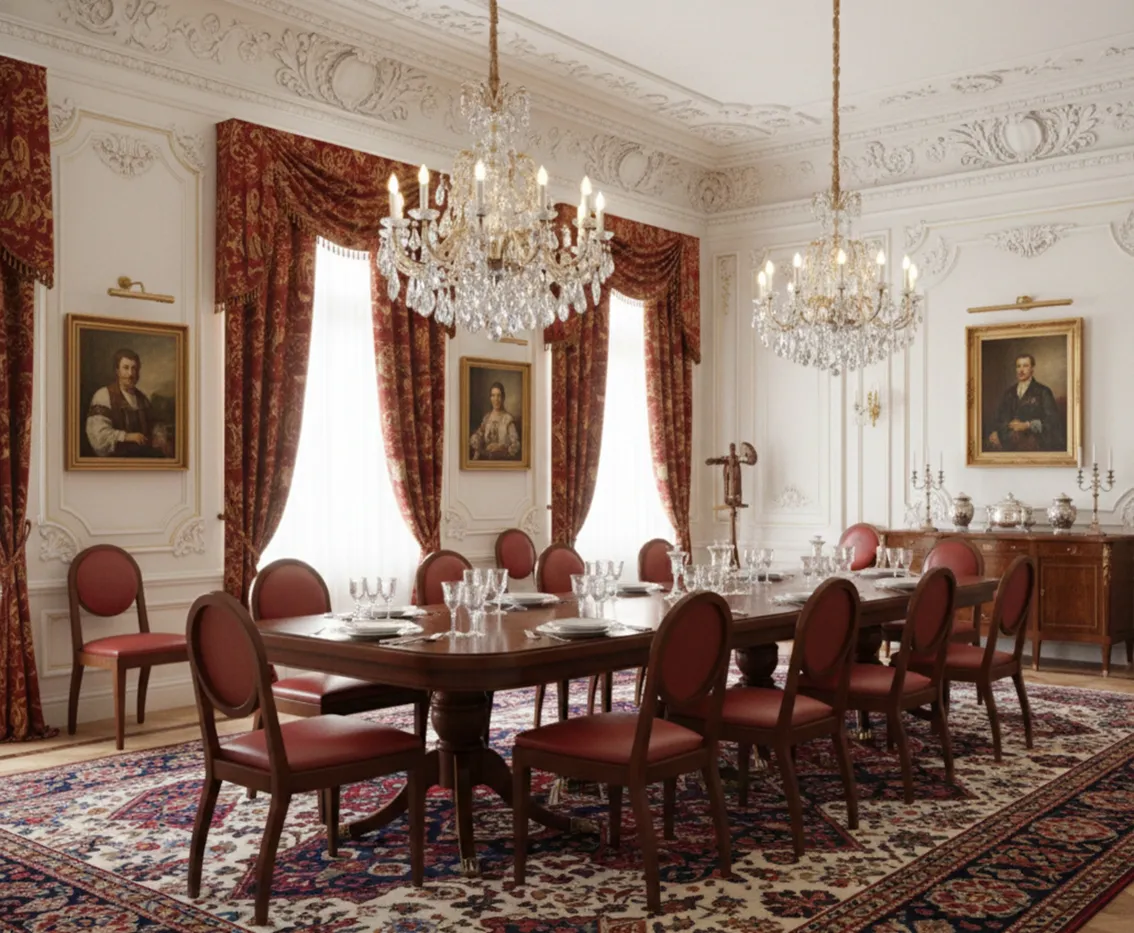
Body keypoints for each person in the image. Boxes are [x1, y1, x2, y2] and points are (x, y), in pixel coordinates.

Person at [85, 348, 169, 457]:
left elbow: (155, 424)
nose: (130, 374)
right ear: (117, 371)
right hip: (115, 462)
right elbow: (98, 436)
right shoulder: (103, 395)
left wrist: (160, 437)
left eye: (134, 368)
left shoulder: (142, 399)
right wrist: (127, 436)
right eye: (126, 368)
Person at [986, 353, 1065, 453]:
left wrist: (1028, 425)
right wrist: (997, 433)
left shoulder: (1043, 391)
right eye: (1018, 366)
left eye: (1025, 366)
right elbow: (999, 418)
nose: (1021, 370)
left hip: (1034, 443)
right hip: (1009, 443)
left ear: (1032, 369)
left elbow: (1053, 421)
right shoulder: (1009, 393)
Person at [469, 381, 520, 461]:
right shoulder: (487, 418)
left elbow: (516, 445)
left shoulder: (508, 419)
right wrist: (477, 440)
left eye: (499, 396)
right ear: (490, 398)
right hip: (486, 461)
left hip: (502, 462)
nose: (496, 399)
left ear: (503, 398)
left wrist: (500, 447)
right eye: (493, 395)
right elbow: (477, 436)